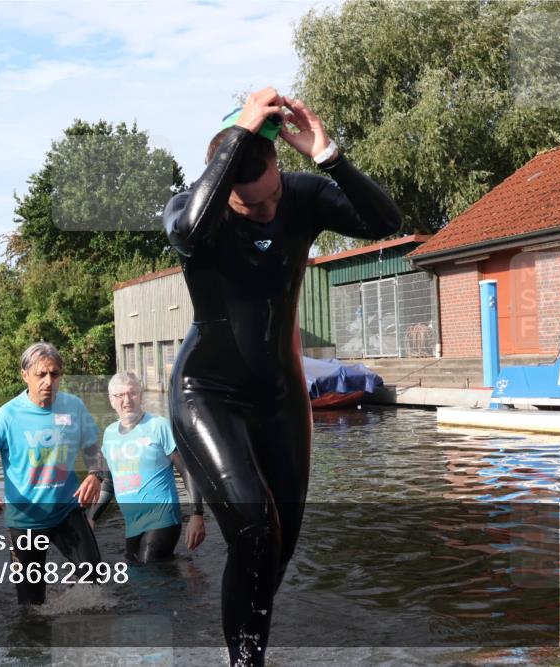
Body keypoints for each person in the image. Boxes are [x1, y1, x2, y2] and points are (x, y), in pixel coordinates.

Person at [163, 87, 401, 666]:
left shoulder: (303, 193)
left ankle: (241, 652)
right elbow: (188, 234)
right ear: (225, 186)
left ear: (278, 166)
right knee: (251, 526)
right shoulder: (194, 205)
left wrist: (330, 156)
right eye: (252, 205)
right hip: (207, 392)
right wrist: (240, 133)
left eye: (271, 195)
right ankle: (246, 663)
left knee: (277, 546)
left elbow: (386, 222)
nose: (267, 210)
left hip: (279, 394)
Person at [0, 342, 106, 605]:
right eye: (41, 374)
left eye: (55, 374)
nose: (49, 381)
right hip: (24, 522)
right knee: (31, 606)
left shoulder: (74, 407)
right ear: (24, 375)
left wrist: (96, 474)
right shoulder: (7, 416)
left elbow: (93, 449)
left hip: (66, 512)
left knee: (95, 580)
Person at [88, 371, 206, 563]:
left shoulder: (159, 426)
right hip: (132, 525)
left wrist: (197, 514)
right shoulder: (109, 434)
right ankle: (187, 573)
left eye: (132, 393)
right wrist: (91, 517)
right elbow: (108, 484)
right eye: (120, 395)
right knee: (139, 578)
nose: (127, 400)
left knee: (150, 573)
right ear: (111, 400)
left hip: (162, 518)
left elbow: (187, 470)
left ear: (140, 396)